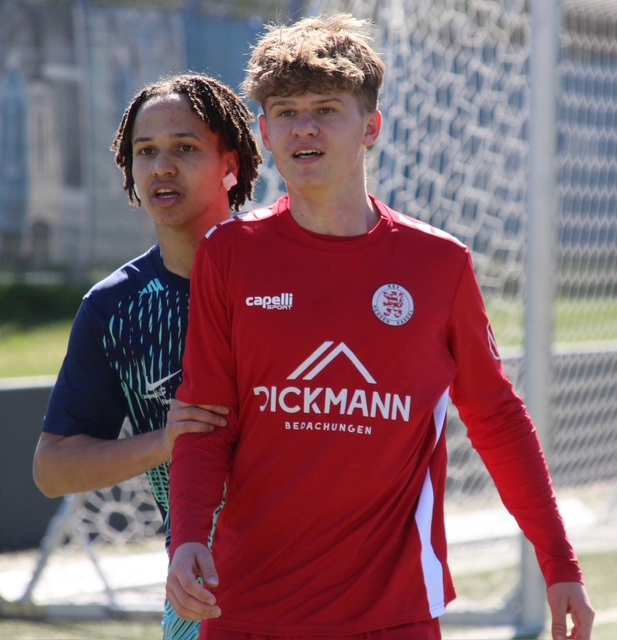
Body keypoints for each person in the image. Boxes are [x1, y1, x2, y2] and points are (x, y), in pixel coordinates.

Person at [165, 15, 595, 640]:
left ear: (371, 128)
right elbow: (206, 419)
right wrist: (187, 538)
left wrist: (559, 562)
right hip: (247, 607)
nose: (304, 127)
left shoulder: (439, 264)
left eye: (326, 109)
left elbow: (497, 417)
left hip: (394, 614)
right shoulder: (229, 255)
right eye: (286, 112)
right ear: (264, 133)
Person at [32, 73, 262, 640]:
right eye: (145, 151)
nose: (162, 167)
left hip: (314, 586)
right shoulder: (114, 308)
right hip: (197, 601)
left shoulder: (284, 277)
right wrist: (166, 441)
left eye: (185, 148)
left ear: (230, 163)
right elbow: (53, 469)